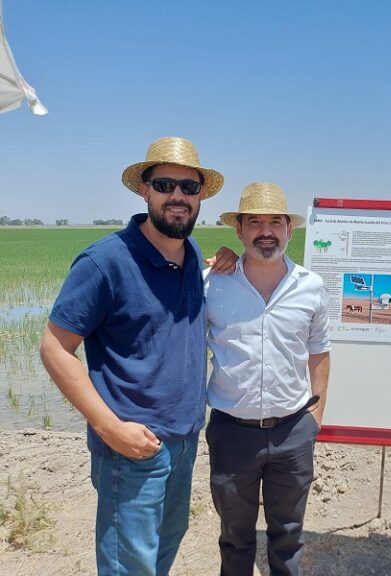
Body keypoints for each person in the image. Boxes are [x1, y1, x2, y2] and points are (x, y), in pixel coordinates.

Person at [39, 136, 225, 575]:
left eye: (189, 188)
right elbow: (55, 348)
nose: (178, 196)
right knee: (130, 566)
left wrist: (227, 261)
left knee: (162, 550)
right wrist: (111, 428)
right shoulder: (105, 262)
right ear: (144, 190)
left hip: (183, 440)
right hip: (130, 447)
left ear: (200, 197)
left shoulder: (192, 251)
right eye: (165, 184)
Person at [205, 182, 331, 576]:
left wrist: (315, 419)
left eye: (275, 222)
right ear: (239, 231)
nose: (266, 231)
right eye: (254, 222)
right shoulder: (211, 283)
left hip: (293, 432)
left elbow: (320, 353)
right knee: (235, 536)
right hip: (231, 434)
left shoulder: (310, 286)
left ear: (289, 230)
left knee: (288, 533)